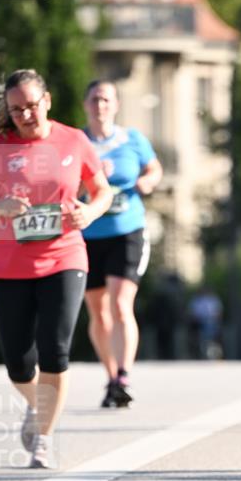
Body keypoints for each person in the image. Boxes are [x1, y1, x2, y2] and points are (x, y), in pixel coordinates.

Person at [0, 68, 112, 468]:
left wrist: (90, 211)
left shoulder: (74, 140)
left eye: (32, 105)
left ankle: (44, 436)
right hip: (6, 264)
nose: (26, 115)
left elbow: (102, 190)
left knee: (55, 348)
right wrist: (1, 207)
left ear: (46, 100)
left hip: (65, 256)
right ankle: (37, 406)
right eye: (17, 110)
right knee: (18, 362)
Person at [81, 80, 163, 406]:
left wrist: (147, 181)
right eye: (94, 99)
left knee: (119, 305)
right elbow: (61, 184)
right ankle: (111, 375)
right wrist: (90, 177)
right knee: (98, 314)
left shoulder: (133, 139)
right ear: (86, 105)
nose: (100, 105)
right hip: (87, 235)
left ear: (115, 105)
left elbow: (154, 168)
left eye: (106, 99)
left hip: (126, 230)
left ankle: (124, 376)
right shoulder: (77, 142)